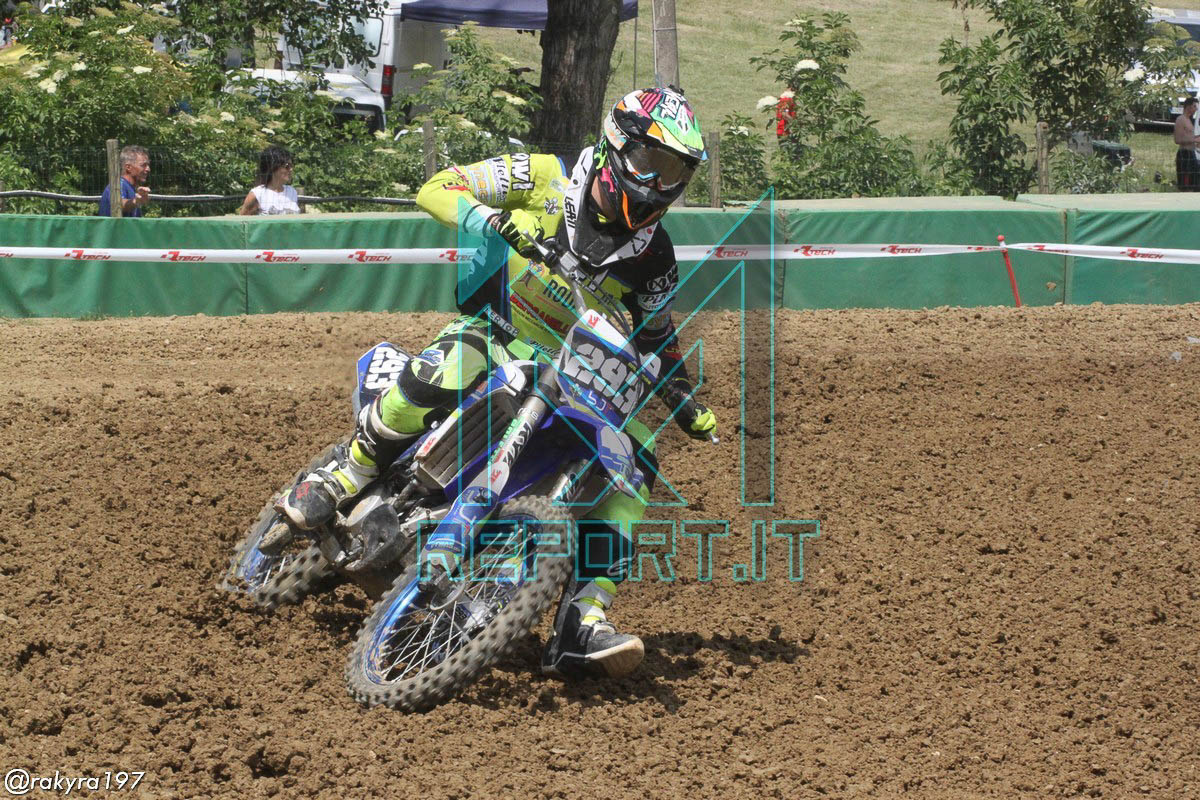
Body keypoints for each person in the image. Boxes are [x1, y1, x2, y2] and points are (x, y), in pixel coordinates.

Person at [273, 86, 718, 680]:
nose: (659, 184)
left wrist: (681, 395)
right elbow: (437, 187)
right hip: (498, 328)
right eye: (651, 163)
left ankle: (581, 621)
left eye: (675, 173)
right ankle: (346, 473)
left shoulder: (654, 255)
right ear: (617, 145)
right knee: (450, 366)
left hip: (571, 369)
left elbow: (656, 332)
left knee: (633, 468)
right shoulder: (546, 176)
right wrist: (489, 218)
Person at [239, 146, 301, 215]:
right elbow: (243, 220)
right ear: (273, 167)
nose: (291, 169)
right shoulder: (257, 194)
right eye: (287, 166)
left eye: (291, 166)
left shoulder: (292, 192)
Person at [98, 145, 151, 217]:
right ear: (128, 167)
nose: (148, 169)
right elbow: (119, 204)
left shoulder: (130, 188)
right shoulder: (119, 185)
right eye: (143, 165)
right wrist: (136, 201)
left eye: (148, 165)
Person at [1174, 96, 1200, 191]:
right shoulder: (1180, 119)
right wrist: (1195, 140)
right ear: (1188, 106)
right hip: (1184, 154)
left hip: (1191, 153)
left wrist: (1196, 138)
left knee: (1195, 181)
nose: (1196, 109)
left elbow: (1190, 137)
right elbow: (1177, 140)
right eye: (1194, 106)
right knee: (1186, 184)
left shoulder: (1189, 120)